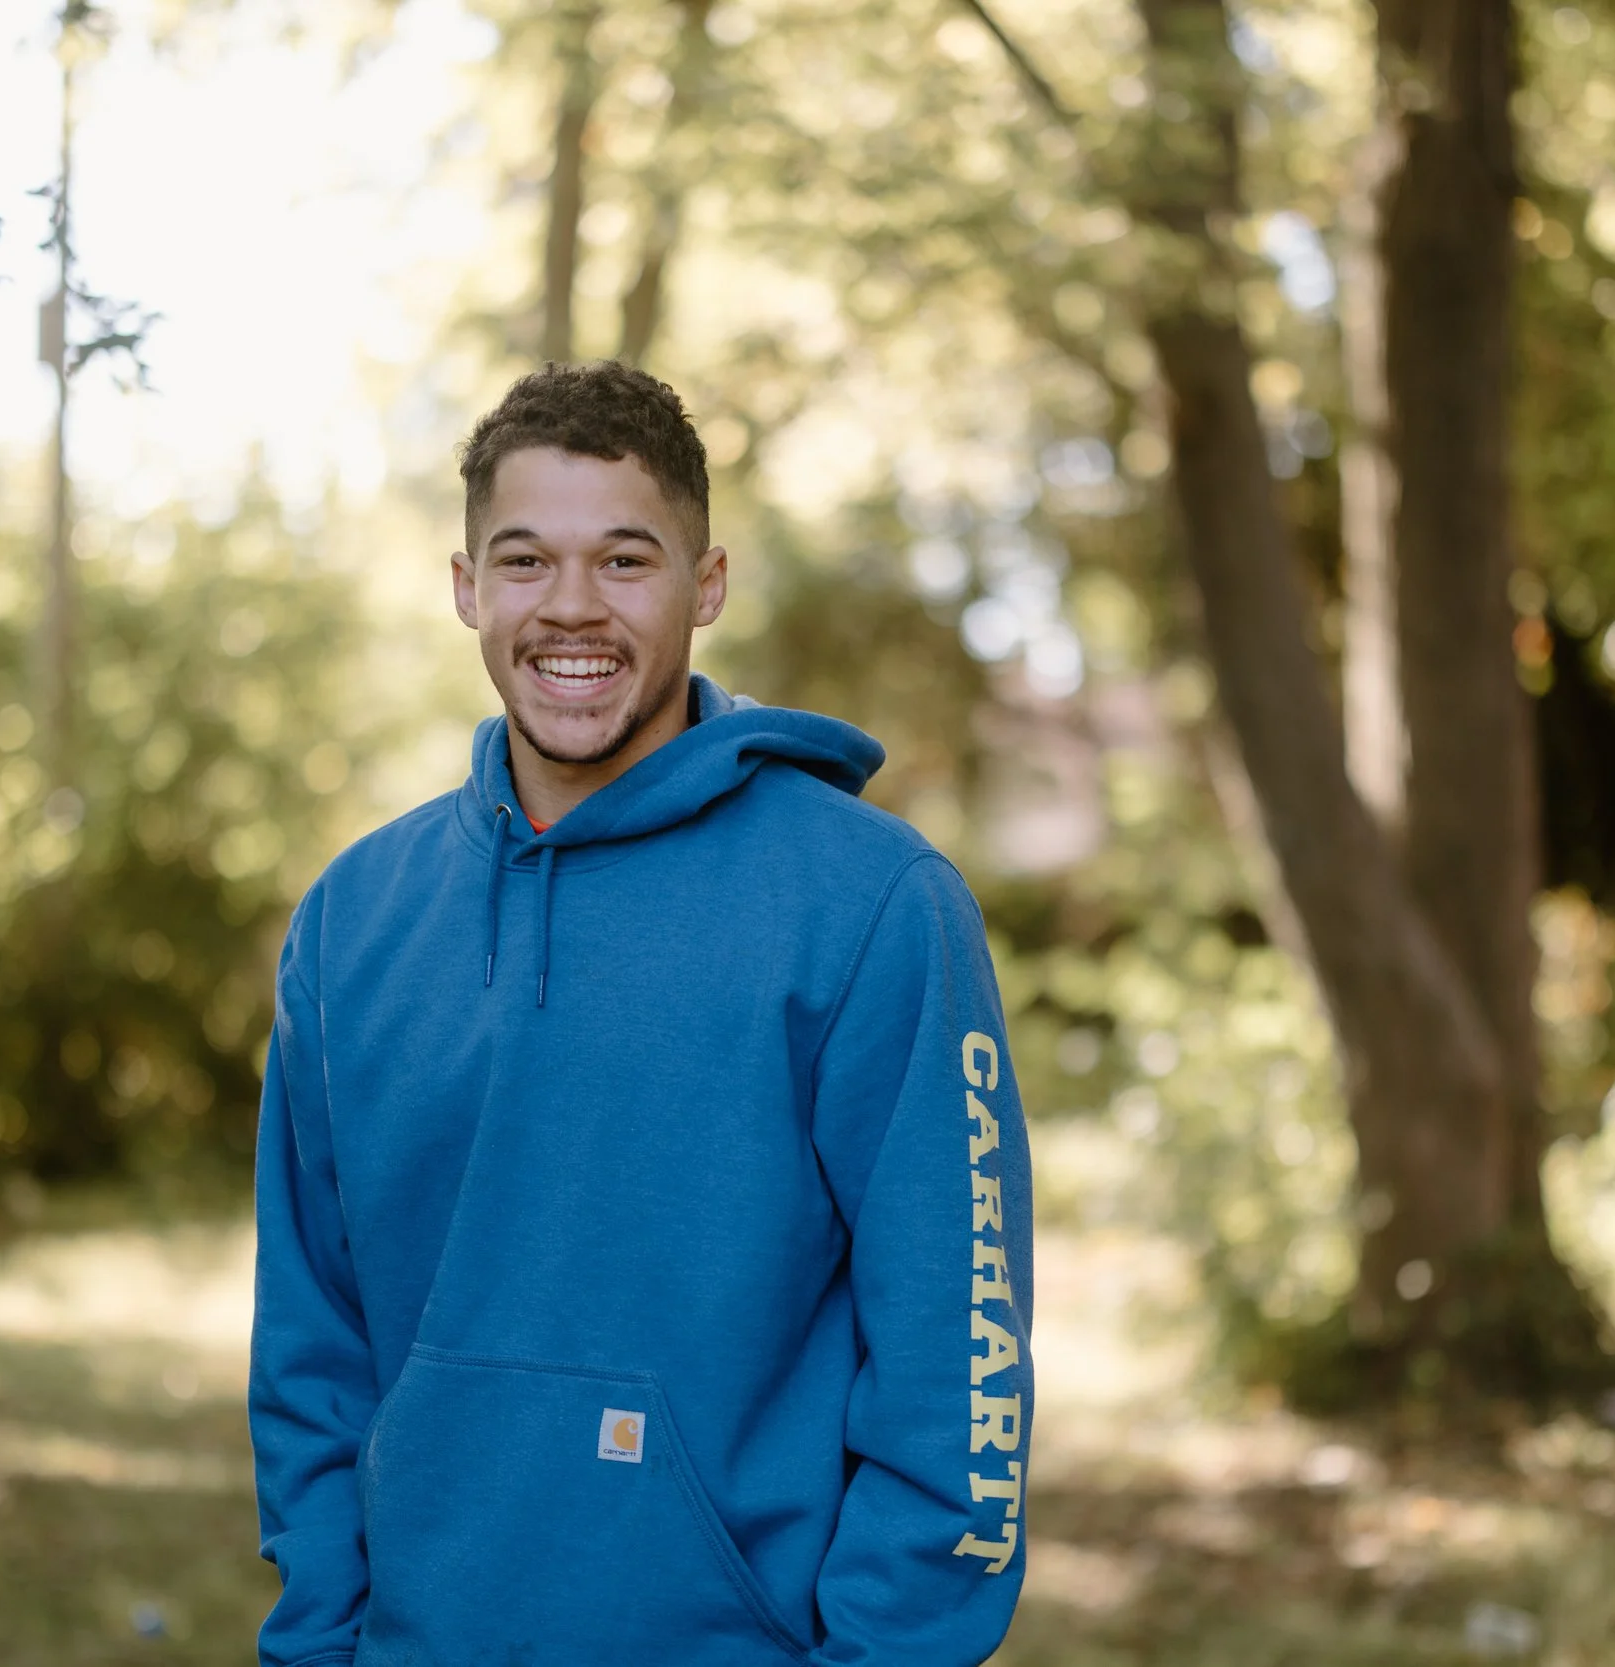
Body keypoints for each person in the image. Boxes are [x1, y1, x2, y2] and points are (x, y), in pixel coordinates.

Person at [248, 360, 1034, 1666]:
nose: (570, 607)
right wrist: (318, 1639)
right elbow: (310, 1348)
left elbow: (958, 1361)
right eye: (524, 561)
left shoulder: (873, 902)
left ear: (705, 584)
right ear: (465, 589)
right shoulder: (353, 920)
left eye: (625, 560)